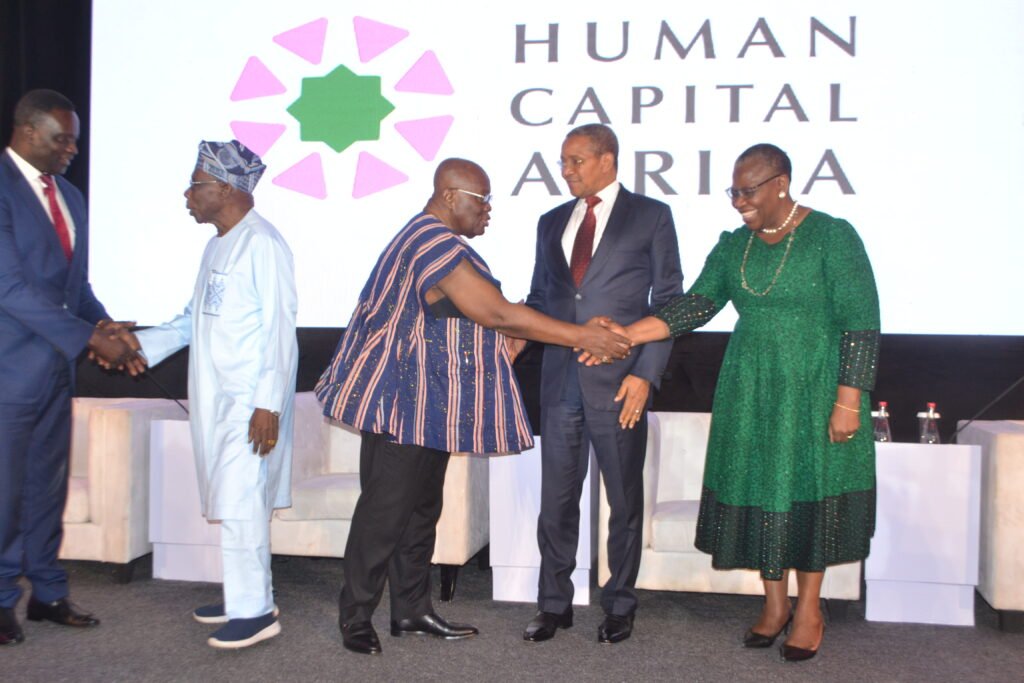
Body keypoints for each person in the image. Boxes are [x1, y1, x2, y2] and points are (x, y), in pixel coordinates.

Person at [316, 158, 630, 656]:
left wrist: (512, 335)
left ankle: (410, 610)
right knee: (383, 515)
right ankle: (355, 616)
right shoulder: (431, 241)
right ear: (449, 197)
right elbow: (495, 310)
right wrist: (582, 336)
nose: (488, 212)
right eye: (481, 201)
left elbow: (484, 314)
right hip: (402, 403)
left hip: (428, 405)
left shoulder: (436, 241)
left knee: (421, 512)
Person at [606, 143, 880, 662]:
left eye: (748, 191)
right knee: (761, 486)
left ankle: (810, 610)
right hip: (751, 387)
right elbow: (694, 305)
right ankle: (774, 605)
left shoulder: (832, 237)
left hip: (814, 385)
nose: (738, 201)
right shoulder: (736, 247)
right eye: (733, 191)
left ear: (781, 182)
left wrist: (849, 398)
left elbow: (861, 322)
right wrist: (627, 333)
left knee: (807, 486)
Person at [120, 140, 298, 650]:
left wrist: (268, 403)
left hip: (247, 402)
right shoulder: (221, 243)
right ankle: (247, 592)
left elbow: (278, 330)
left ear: (224, 188)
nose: (187, 194)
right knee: (234, 498)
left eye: (195, 184)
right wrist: (137, 348)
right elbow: (188, 323)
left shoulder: (262, 243)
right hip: (219, 399)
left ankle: (256, 611)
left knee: (242, 501)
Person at [523, 124, 683, 644]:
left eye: (575, 161)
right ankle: (554, 604)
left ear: (607, 160)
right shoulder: (550, 222)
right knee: (557, 500)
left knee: (623, 500)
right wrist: (514, 334)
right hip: (559, 380)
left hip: (620, 384)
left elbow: (671, 303)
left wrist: (646, 374)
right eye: (563, 162)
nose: (565, 170)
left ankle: (619, 604)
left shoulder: (651, 215)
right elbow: (542, 298)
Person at [0, 89, 137, 646]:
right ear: (28, 132)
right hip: (9, 374)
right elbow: (10, 288)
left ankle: (49, 593)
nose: (72, 148)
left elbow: (74, 288)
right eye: (63, 138)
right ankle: (3, 596)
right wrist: (91, 341)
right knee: (5, 492)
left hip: (55, 372)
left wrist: (110, 332)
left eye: (75, 138)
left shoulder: (71, 197)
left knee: (45, 490)